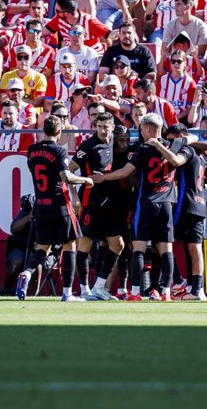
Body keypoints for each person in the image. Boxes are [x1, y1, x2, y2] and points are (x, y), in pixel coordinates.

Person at [92, 113, 196, 301]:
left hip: (147, 202)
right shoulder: (174, 144)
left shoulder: (143, 149)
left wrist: (103, 177)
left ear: (148, 129)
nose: (139, 131)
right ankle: (165, 292)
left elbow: (125, 172)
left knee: (139, 247)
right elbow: (188, 146)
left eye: (141, 128)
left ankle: (137, 292)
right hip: (166, 203)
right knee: (166, 249)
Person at [16, 115, 94, 301]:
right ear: (59, 132)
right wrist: (85, 179)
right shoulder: (59, 150)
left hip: (41, 206)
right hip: (59, 204)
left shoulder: (32, 150)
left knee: (43, 248)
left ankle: (27, 272)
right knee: (70, 246)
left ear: (44, 131)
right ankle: (67, 293)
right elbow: (66, 176)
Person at [69, 112, 125, 301]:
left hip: (111, 204)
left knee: (118, 245)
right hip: (90, 202)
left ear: (111, 126)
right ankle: (85, 290)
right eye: (99, 126)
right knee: (85, 243)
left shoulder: (117, 141)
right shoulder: (88, 146)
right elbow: (69, 171)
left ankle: (100, 286)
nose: (102, 130)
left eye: (105, 127)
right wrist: (74, 194)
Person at [163, 123, 207, 301]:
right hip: (201, 204)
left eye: (171, 140)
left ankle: (178, 281)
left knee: (161, 240)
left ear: (181, 137)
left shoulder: (187, 151)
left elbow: (176, 161)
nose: (170, 144)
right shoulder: (201, 154)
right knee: (194, 247)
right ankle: (197, 289)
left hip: (185, 204)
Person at [160, 0, 207, 65]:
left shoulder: (201, 26)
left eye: (179, 4)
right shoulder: (170, 26)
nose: (175, 8)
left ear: (188, 7)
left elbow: (201, 54)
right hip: (175, 61)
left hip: (194, 61)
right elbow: (165, 51)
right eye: (175, 4)